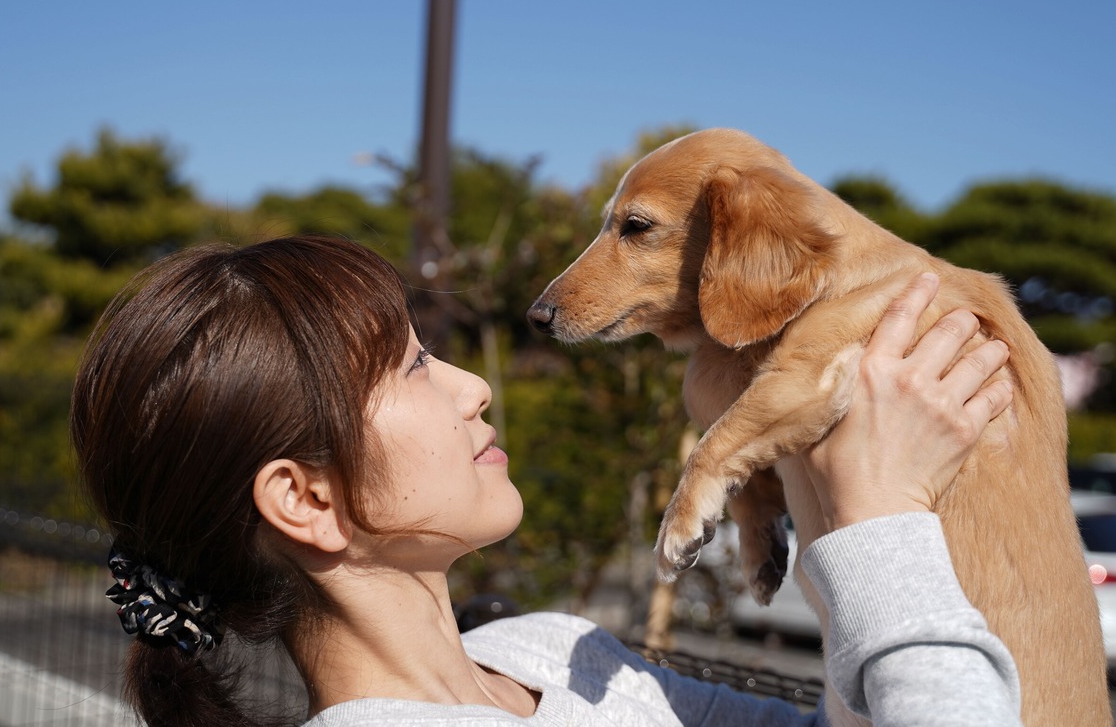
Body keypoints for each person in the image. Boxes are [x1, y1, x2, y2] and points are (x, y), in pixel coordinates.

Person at [72, 235, 1021, 727]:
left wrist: (829, 474)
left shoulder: (548, 655)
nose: (474, 386)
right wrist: (886, 521)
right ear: (307, 499)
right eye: (408, 368)